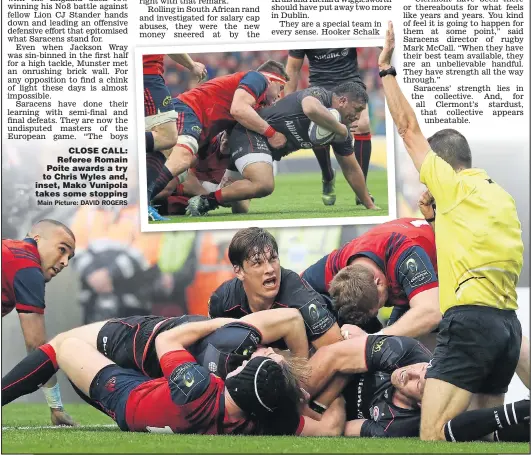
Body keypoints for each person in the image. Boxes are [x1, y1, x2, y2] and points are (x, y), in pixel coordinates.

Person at [378, 22, 524, 441]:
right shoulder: (499, 196)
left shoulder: (452, 186)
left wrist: (386, 71)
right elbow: (474, 248)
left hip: (470, 323)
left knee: (433, 434)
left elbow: (408, 129)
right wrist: (437, 220)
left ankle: (523, 412)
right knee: (486, 439)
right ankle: (514, 420)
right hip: (506, 327)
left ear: (442, 165)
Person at [6, 317, 346, 436]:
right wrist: (341, 374)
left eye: (247, 363)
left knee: (63, 344)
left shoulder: (199, 388)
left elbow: (167, 339)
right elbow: (330, 429)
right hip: (154, 402)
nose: (247, 359)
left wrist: (221, 324)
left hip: (126, 398)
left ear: (235, 379)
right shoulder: (264, 423)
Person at [2, 307, 310, 404]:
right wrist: (305, 376)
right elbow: (295, 318)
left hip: (149, 378)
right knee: (60, 346)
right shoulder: (249, 332)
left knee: (61, 348)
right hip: (141, 342)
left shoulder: (243, 391)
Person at [307, 327, 530, 441]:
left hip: (331, 407)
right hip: (316, 369)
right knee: (343, 333)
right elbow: (333, 355)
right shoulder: (404, 352)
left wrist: (328, 401)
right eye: (421, 369)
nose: (409, 375)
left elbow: (338, 429)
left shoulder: (397, 426)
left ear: (426, 405)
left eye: (419, 386)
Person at [186, 83, 378, 216]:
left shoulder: (341, 133)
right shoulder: (321, 95)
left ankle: (193, 189)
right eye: (358, 109)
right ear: (342, 101)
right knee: (264, 184)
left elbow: (351, 169)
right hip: (251, 133)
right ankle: (207, 200)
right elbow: (310, 109)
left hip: (263, 151)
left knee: (239, 206)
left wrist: (369, 204)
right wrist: (340, 129)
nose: (358, 116)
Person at [146, 61, 289, 220]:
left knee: (170, 177)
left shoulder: (251, 105)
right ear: (271, 79)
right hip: (189, 110)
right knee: (184, 158)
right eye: (280, 88)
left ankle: (139, 200)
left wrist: (231, 195)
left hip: (192, 119)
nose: (278, 96)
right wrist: (272, 134)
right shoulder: (258, 78)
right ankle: (143, 200)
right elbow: (238, 109)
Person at [207, 227, 345, 350]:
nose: (270, 269)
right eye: (257, 263)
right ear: (239, 271)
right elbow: (211, 348)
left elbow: (336, 353)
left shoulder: (299, 296)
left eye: (273, 259)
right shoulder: (223, 300)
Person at [301, 217, 441, 338]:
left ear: (378, 282)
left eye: (378, 305)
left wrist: (373, 337)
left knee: (395, 341)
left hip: (445, 270)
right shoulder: (337, 261)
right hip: (397, 272)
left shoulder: (403, 253)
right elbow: (295, 285)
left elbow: (431, 313)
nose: (379, 310)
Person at [1, 219, 76, 426]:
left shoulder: (10, 251)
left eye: (69, 256)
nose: (65, 262)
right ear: (36, 240)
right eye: (62, 250)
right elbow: (37, 347)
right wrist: (56, 406)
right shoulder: (27, 265)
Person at [285, 48, 374, 206]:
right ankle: (327, 176)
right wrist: (285, 105)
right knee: (319, 130)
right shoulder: (302, 29)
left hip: (351, 84)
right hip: (320, 86)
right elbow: (292, 68)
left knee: (363, 124)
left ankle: (362, 190)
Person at [144, 53, 207, 221]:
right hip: (148, 74)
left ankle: (144, 203)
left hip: (149, 76)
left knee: (162, 143)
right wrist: (192, 64)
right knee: (167, 138)